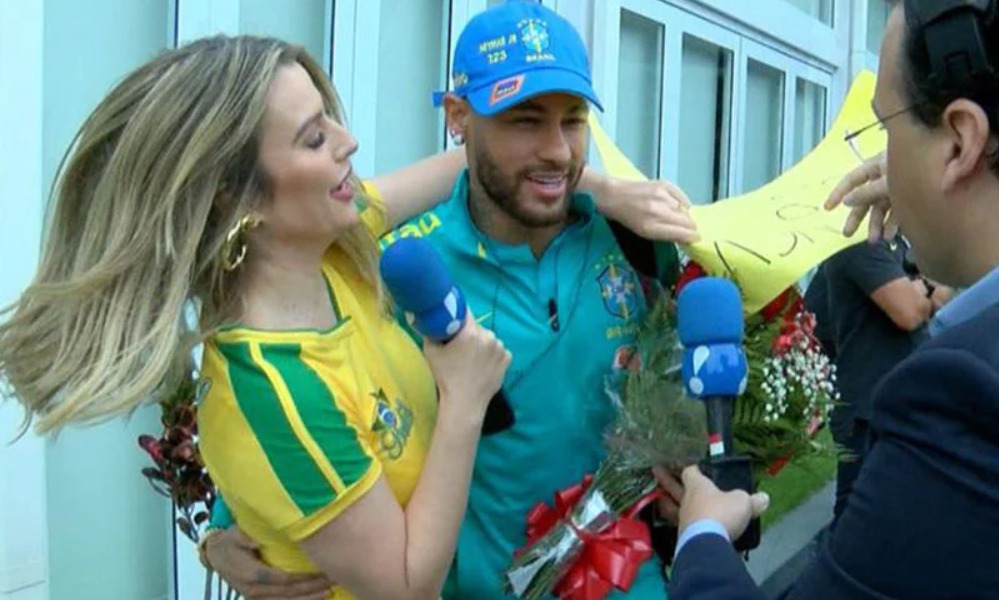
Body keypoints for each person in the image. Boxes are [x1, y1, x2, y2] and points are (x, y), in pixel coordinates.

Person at [0, 34, 688, 600]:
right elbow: (400, 581)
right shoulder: (295, 360)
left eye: (571, 120)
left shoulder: (343, 253)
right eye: (311, 137)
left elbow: (464, 165)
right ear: (233, 194)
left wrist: (597, 185)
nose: (350, 143)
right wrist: (464, 399)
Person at [670, 0, 999, 598]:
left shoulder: (983, 402)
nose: (884, 162)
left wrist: (704, 538)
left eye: (886, 128)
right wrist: (949, 190)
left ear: (960, 142)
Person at [202, 3, 697, 598]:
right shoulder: (391, 266)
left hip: (628, 582)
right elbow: (313, 410)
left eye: (573, 121)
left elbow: (707, 391)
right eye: (524, 120)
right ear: (459, 119)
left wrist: (691, 480)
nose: (559, 151)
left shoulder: (640, 242)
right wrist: (230, 526)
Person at [804, 238, 950, 519]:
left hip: (901, 400)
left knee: (897, 509)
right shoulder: (859, 245)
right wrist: (919, 287)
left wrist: (919, 288)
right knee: (856, 512)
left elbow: (942, 297)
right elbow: (909, 313)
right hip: (866, 407)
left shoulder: (899, 246)